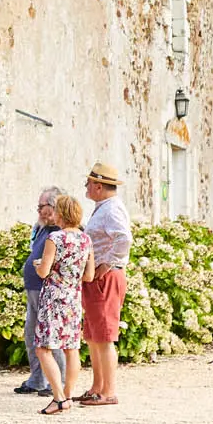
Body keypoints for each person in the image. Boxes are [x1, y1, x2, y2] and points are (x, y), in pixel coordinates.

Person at [77, 161, 132, 407]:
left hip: (105, 278)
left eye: (88, 183)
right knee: (93, 335)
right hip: (97, 278)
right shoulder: (105, 208)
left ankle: (108, 391)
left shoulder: (111, 210)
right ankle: (97, 387)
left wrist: (107, 263)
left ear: (98, 186)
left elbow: (124, 239)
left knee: (104, 336)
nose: (86, 187)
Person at [33, 193, 94, 415]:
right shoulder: (86, 239)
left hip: (53, 298)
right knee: (71, 348)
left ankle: (58, 398)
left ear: (61, 214)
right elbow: (89, 276)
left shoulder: (55, 238)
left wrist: (39, 265)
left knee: (43, 348)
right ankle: (67, 395)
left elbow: (44, 272)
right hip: (73, 299)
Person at [14, 187, 68, 397]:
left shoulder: (61, 231)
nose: (38, 210)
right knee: (31, 335)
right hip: (34, 289)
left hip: (49, 290)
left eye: (41, 206)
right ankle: (37, 380)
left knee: (52, 336)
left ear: (53, 206)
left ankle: (57, 383)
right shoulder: (42, 228)